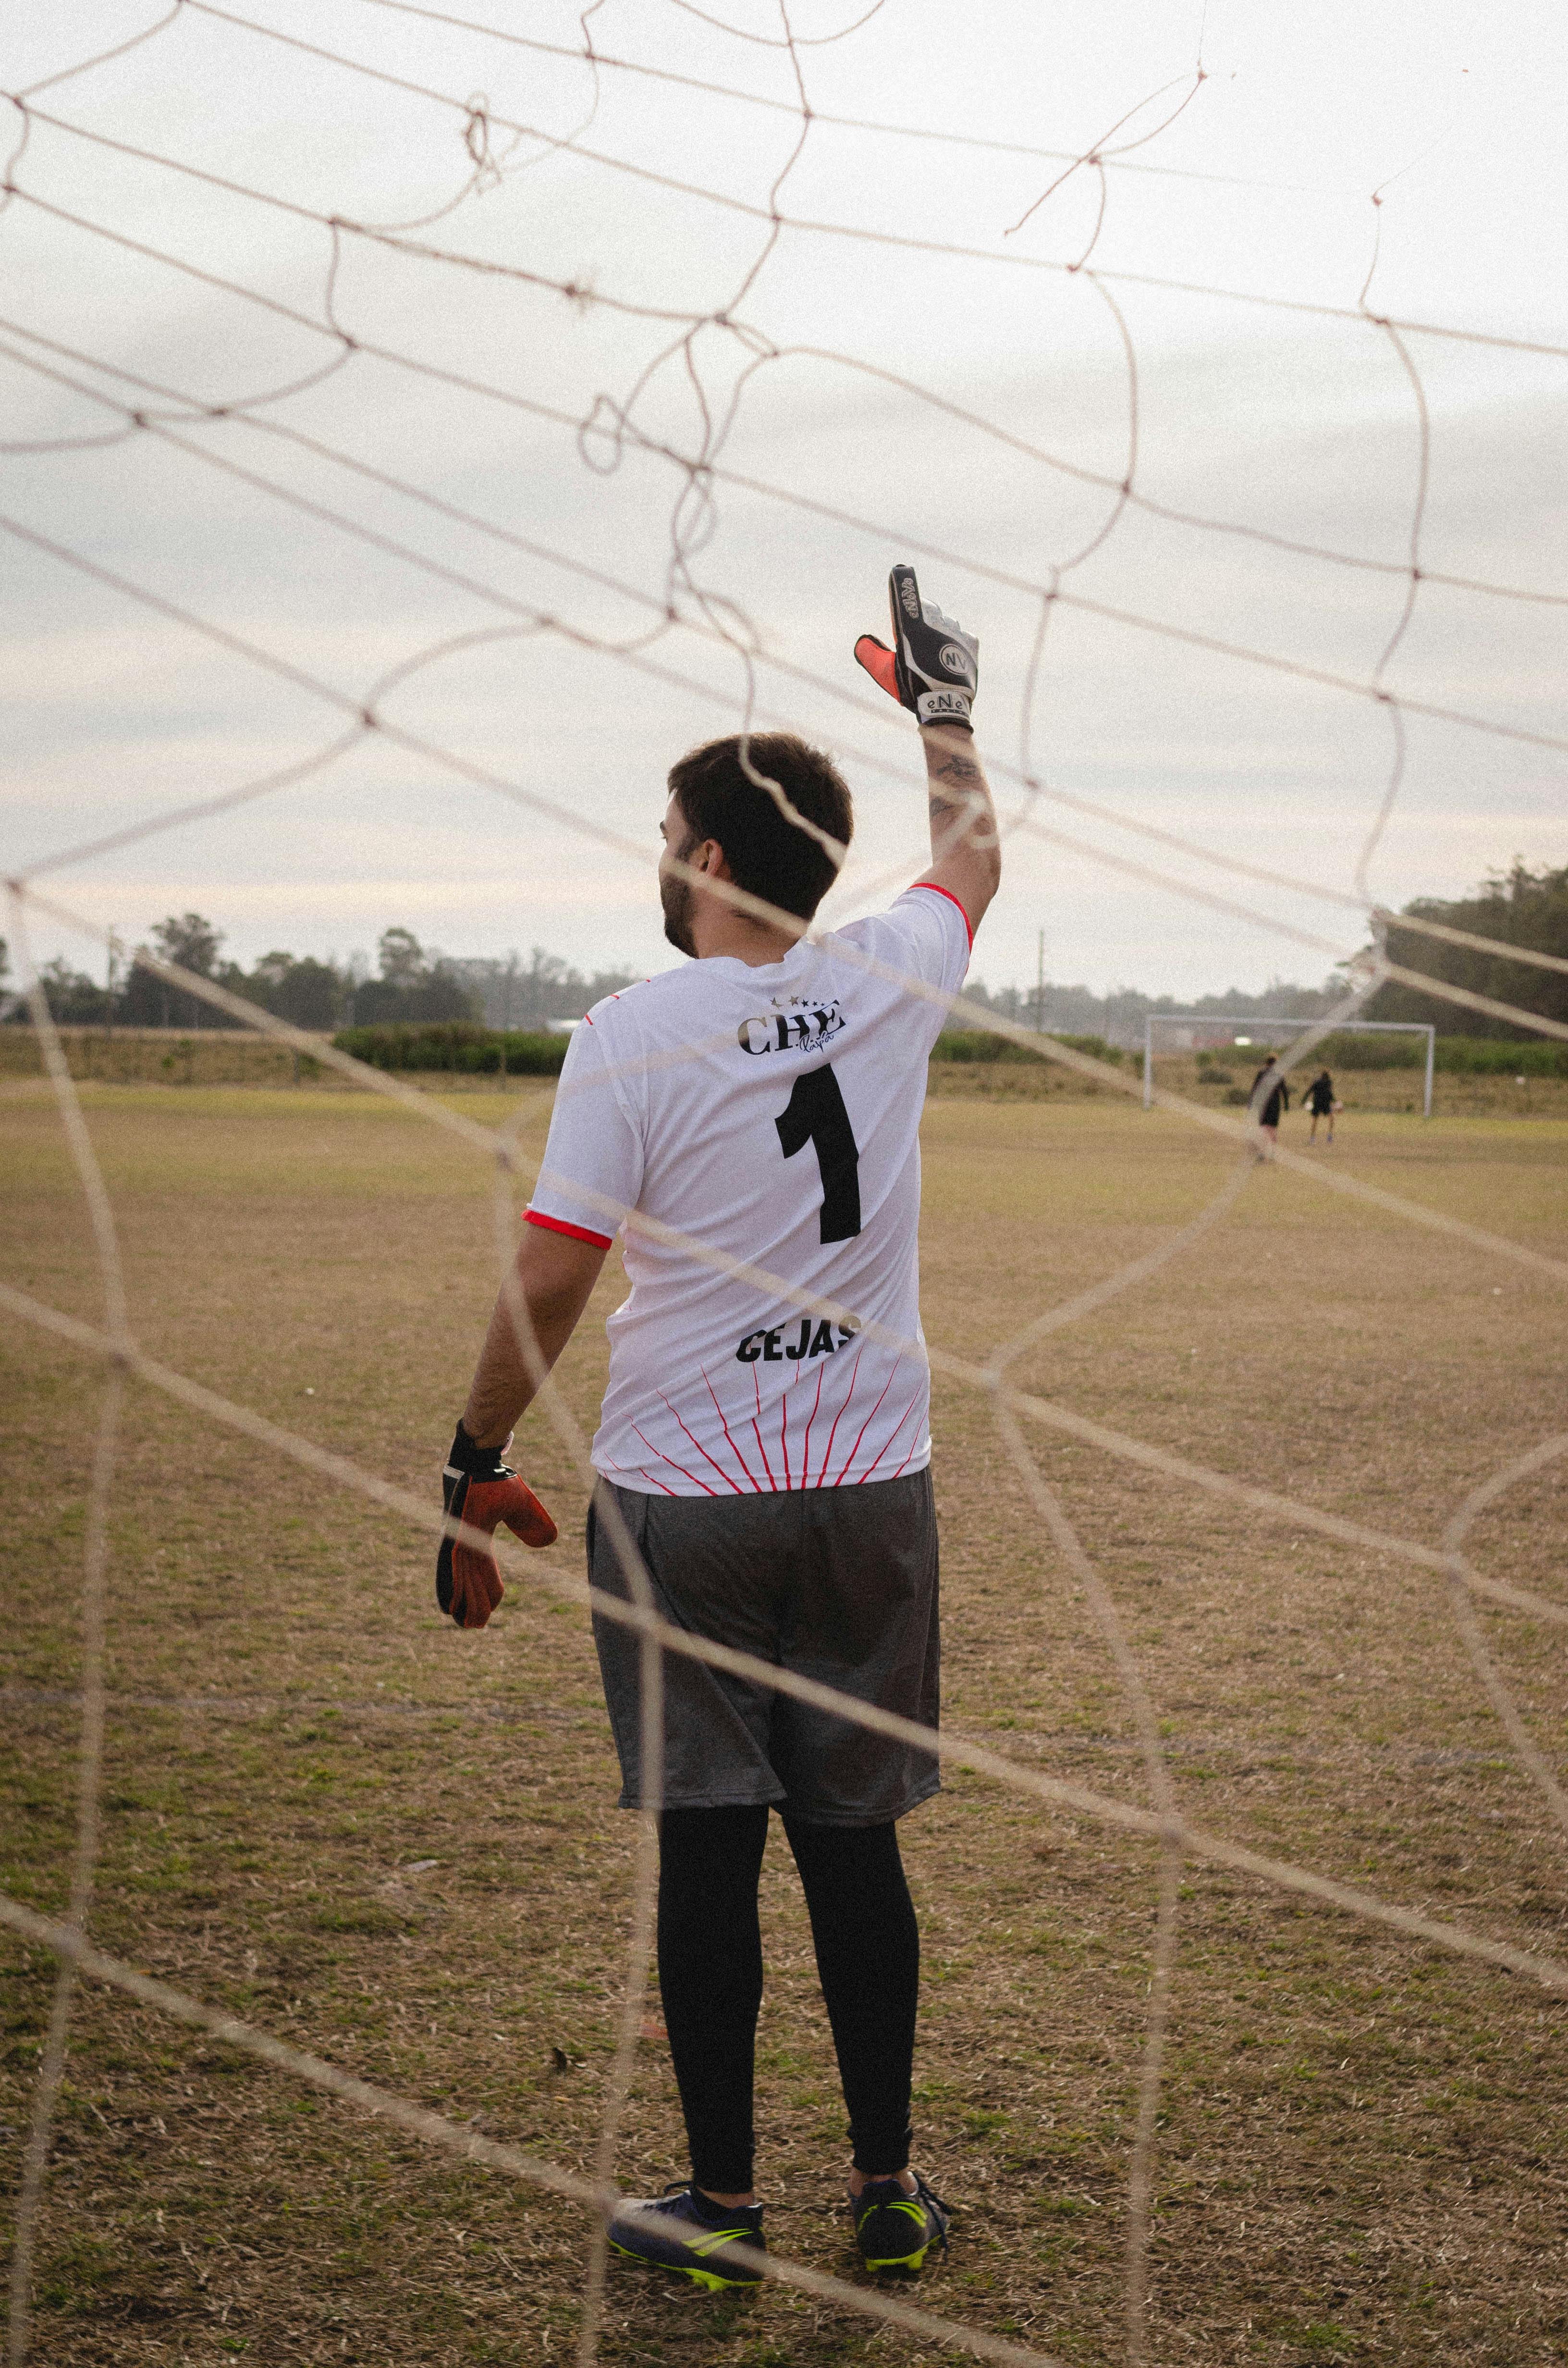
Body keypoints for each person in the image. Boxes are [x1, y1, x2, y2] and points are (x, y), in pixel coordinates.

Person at [434, 567, 1000, 2291]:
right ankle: (889, 2187)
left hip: (688, 1499)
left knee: (707, 1844)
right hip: (866, 1485)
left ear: (703, 859)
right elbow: (967, 859)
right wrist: (943, 706)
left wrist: (469, 1461)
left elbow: (548, 1287)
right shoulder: (891, 973)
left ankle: (723, 2210)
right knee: (854, 1842)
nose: (655, 845)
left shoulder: (628, 1035)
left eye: (664, 825)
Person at [1250, 1057, 1289, 1158]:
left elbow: (1255, 1088)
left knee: (1263, 1127)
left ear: (1267, 1063)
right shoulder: (1279, 1075)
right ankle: (1272, 1153)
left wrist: (1252, 1103)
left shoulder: (1262, 1073)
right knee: (1273, 1129)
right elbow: (1284, 1091)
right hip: (1275, 1105)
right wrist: (1286, 1105)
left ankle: (1262, 1153)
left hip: (1264, 1105)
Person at [1304, 1067, 1336, 1144]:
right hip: (1325, 1104)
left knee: (1315, 1121)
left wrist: (1304, 1100)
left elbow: (1309, 1091)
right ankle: (1330, 1136)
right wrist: (1334, 1101)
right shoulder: (1329, 1082)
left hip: (1317, 1103)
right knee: (1332, 1119)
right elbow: (1330, 1093)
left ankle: (1312, 1138)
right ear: (1328, 1075)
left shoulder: (1317, 1082)